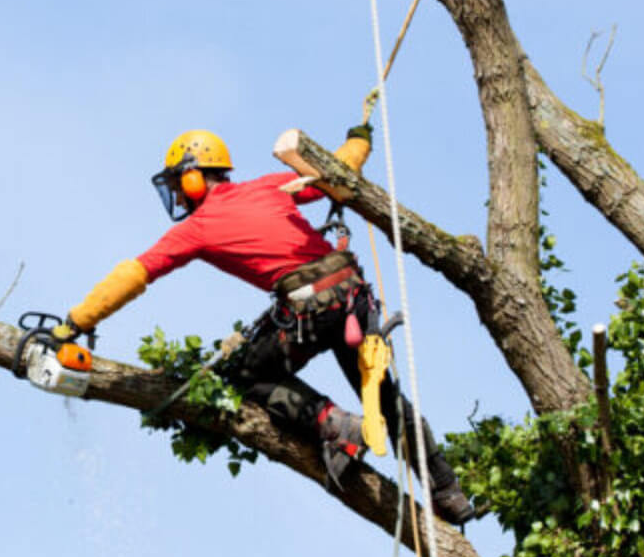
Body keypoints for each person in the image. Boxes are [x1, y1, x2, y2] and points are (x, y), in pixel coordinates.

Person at [53, 127, 474, 524]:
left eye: (180, 185)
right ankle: (448, 492)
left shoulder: (198, 229)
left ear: (195, 178)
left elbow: (135, 273)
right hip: (352, 298)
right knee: (384, 399)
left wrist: (76, 321)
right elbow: (336, 170)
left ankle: (335, 424)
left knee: (244, 375)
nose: (179, 198)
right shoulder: (269, 186)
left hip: (311, 310)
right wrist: (358, 140)